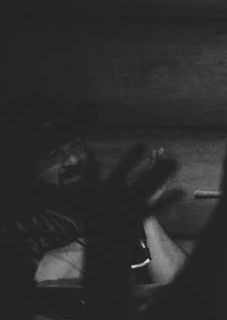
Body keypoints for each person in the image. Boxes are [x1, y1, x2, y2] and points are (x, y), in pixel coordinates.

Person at [0, 93, 188, 286]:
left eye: (75, 145)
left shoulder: (105, 202)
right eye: (52, 154)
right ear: (24, 166)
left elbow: (183, 289)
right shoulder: (15, 223)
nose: (72, 159)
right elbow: (31, 294)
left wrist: (144, 215)